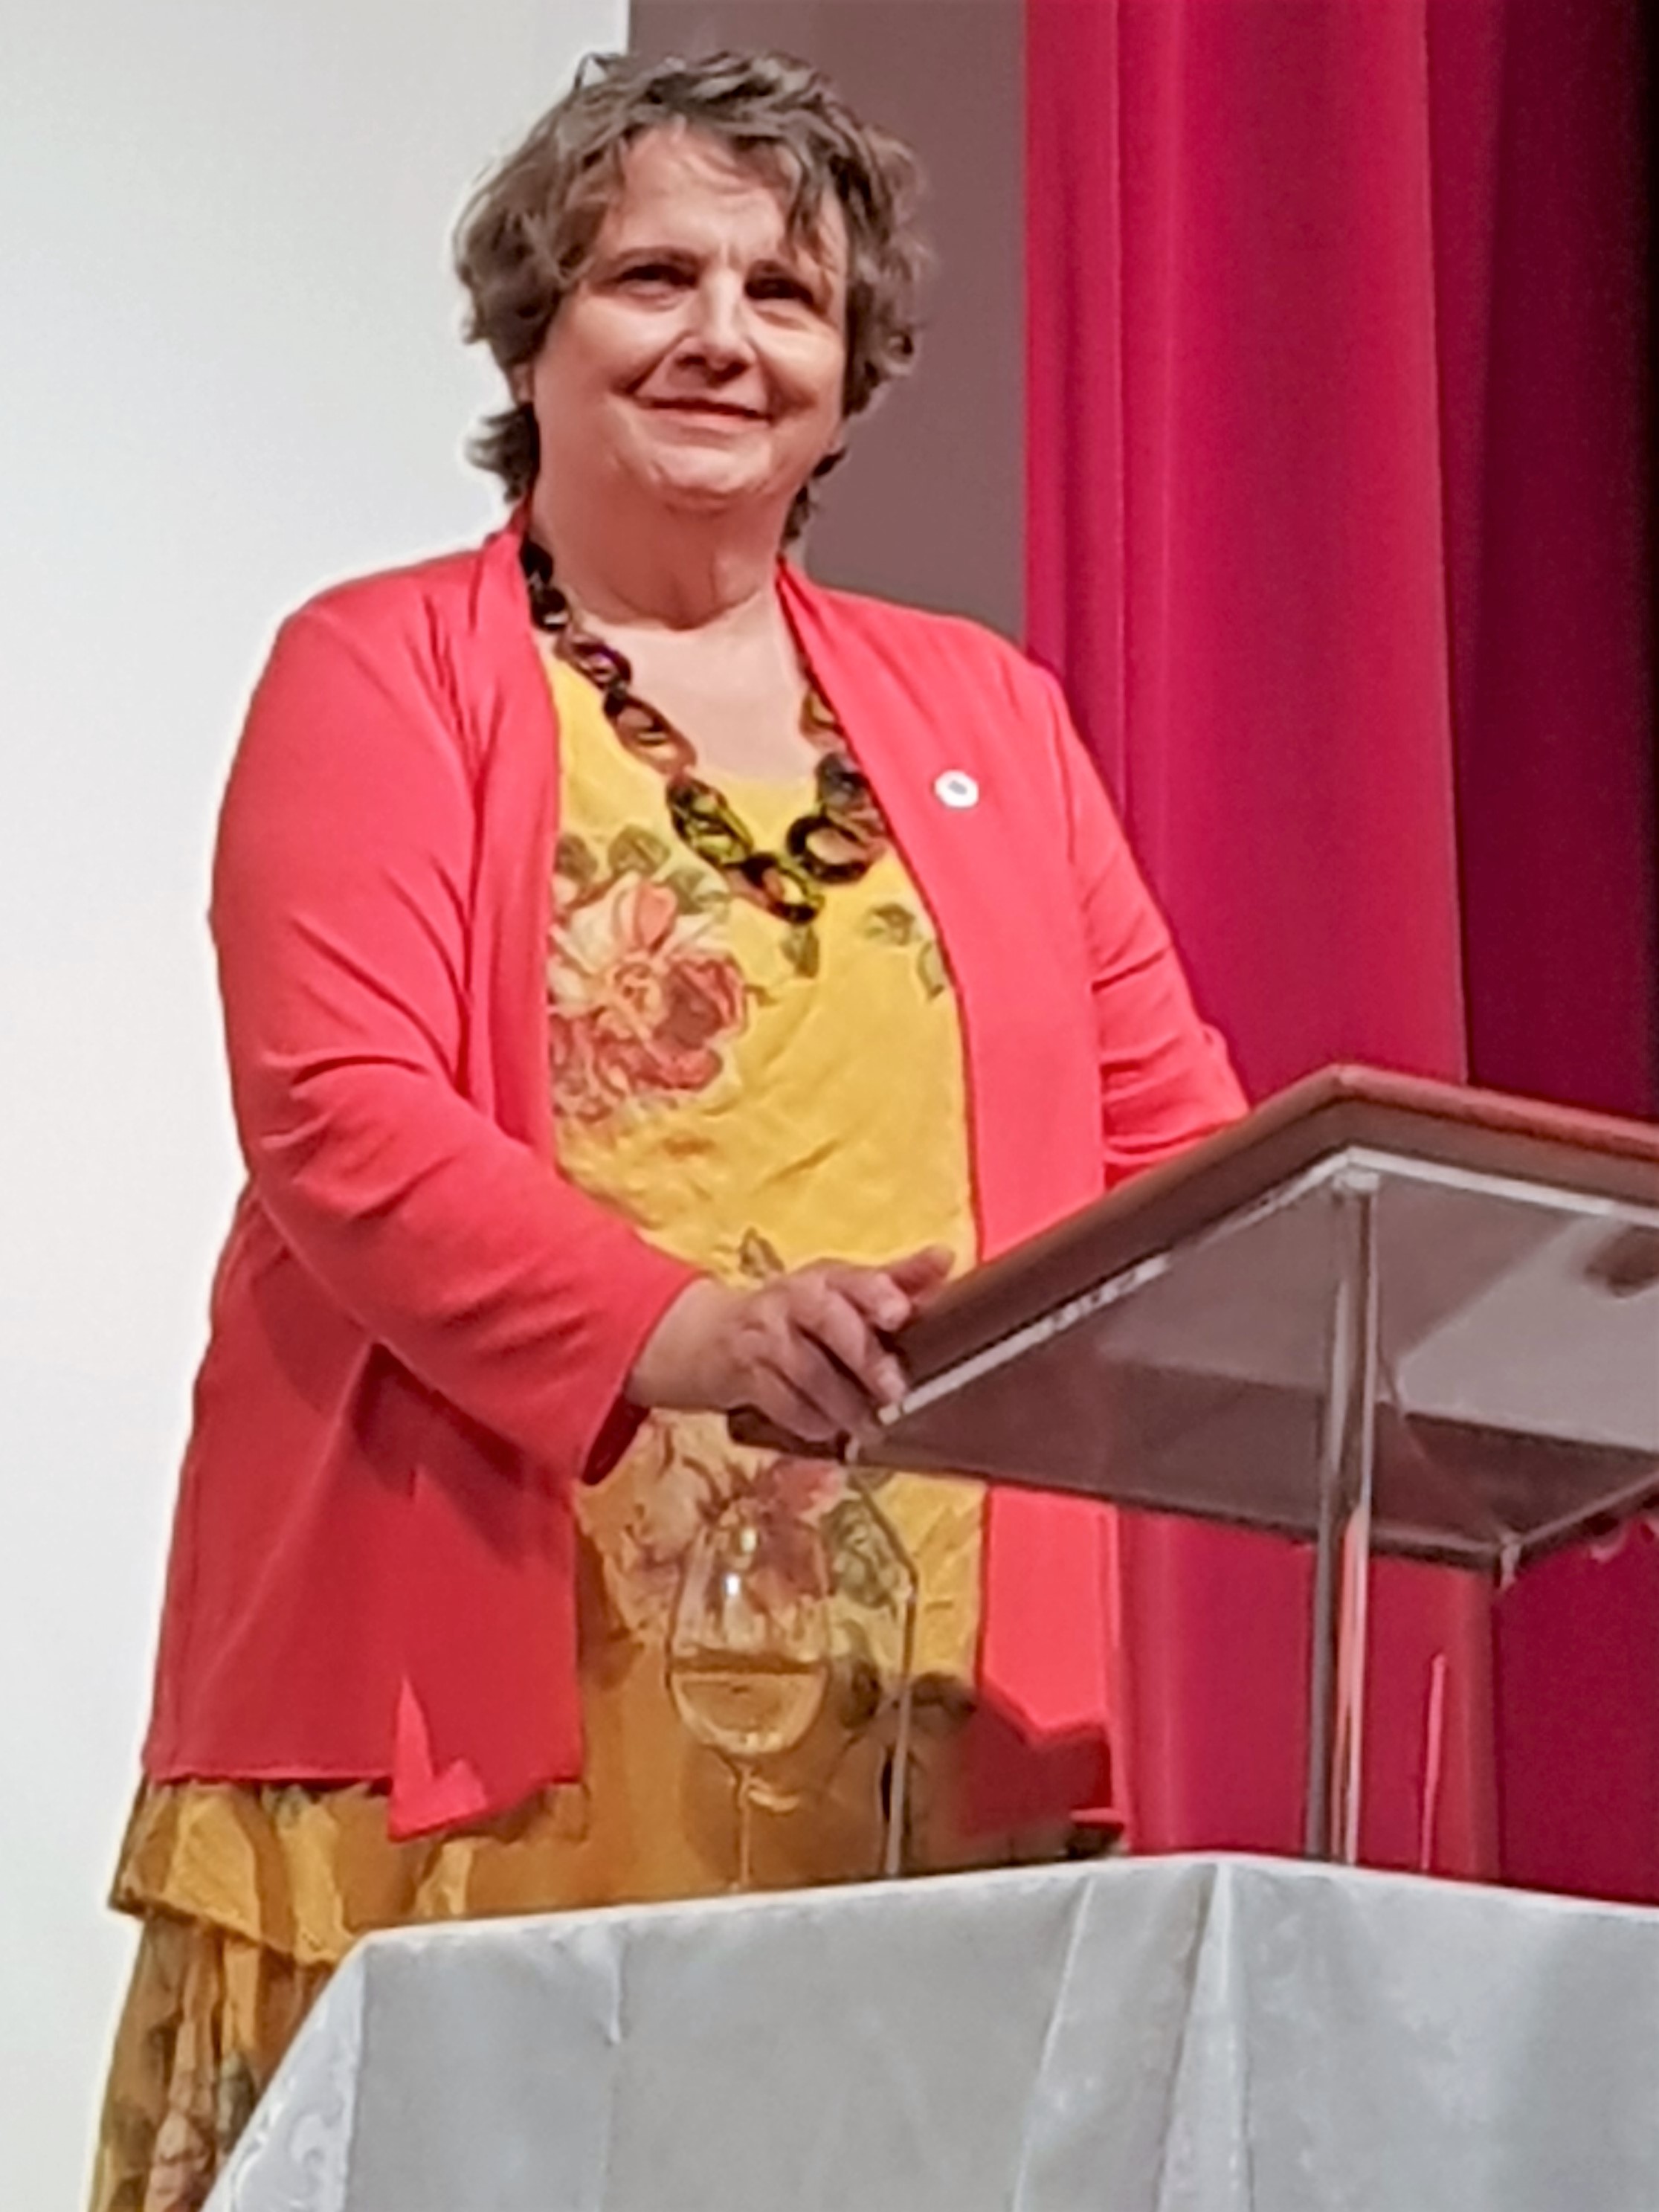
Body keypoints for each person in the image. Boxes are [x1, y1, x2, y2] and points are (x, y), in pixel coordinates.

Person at [88, 48, 1246, 2208]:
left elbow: (1179, 1146)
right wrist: (691, 1334)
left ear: (846, 376)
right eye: (653, 277)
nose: (723, 334)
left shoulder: (990, 715)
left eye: (783, 295)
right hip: (484, 1697)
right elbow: (342, 1118)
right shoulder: (378, 669)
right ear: (534, 331)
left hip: (914, 1727)